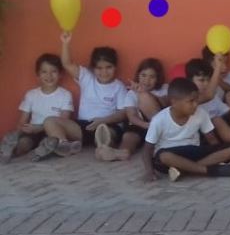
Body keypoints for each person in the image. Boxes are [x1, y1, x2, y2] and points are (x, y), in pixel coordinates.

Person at [142, 77, 230, 182]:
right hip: (170, 156)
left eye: (197, 100)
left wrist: (218, 153)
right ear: (174, 102)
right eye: (191, 101)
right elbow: (147, 149)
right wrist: (149, 172)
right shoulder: (159, 120)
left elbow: (212, 139)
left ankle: (183, 170)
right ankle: (210, 170)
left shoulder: (201, 113)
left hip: (193, 151)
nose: (195, 104)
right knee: (163, 156)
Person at [59, 31, 128, 161]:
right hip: (84, 126)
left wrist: (103, 121)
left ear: (115, 67)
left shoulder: (119, 86)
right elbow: (67, 64)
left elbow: (123, 113)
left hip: (107, 125)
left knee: (107, 132)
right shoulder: (86, 77)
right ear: (92, 68)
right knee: (50, 121)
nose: (104, 72)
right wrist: (65, 43)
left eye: (108, 67)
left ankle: (103, 148)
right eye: (99, 68)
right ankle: (63, 144)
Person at [0, 54, 81, 163]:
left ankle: (39, 151)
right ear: (38, 74)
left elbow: (64, 120)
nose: (49, 75)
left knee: (51, 141)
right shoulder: (31, 95)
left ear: (60, 74)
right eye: (44, 72)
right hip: (33, 132)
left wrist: (39, 128)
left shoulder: (65, 95)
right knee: (25, 143)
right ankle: (10, 150)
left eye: (53, 71)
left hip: (52, 133)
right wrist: (21, 131)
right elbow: (22, 121)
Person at [119, 58, 169, 156]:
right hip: (140, 124)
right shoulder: (131, 93)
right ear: (138, 75)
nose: (147, 80)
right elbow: (132, 116)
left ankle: (160, 142)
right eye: (143, 75)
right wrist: (147, 125)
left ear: (158, 78)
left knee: (144, 96)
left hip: (158, 126)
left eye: (152, 77)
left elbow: (166, 102)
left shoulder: (164, 88)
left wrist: (144, 93)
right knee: (128, 141)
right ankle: (118, 153)